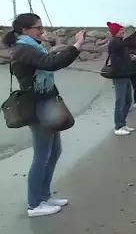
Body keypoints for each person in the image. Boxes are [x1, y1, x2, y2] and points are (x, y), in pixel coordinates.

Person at [3, 13, 84, 217]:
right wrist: (76, 46)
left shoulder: (33, 47)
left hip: (46, 103)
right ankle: (34, 204)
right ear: (24, 30)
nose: (42, 31)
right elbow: (51, 63)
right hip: (36, 107)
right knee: (42, 155)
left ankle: (44, 195)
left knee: (54, 151)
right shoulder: (24, 49)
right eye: (38, 28)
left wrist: (55, 45)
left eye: (42, 27)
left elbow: (49, 59)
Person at [107, 22, 136, 136]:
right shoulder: (114, 42)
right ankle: (118, 126)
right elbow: (127, 42)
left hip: (125, 75)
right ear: (115, 32)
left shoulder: (119, 43)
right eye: (121, 30)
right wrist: (135, 33)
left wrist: (130, 57)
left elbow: (127, 46)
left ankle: (123, 123)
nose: (123, 31)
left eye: (123, 30)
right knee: (120, 102)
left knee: (128, 100)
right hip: (119, 76)